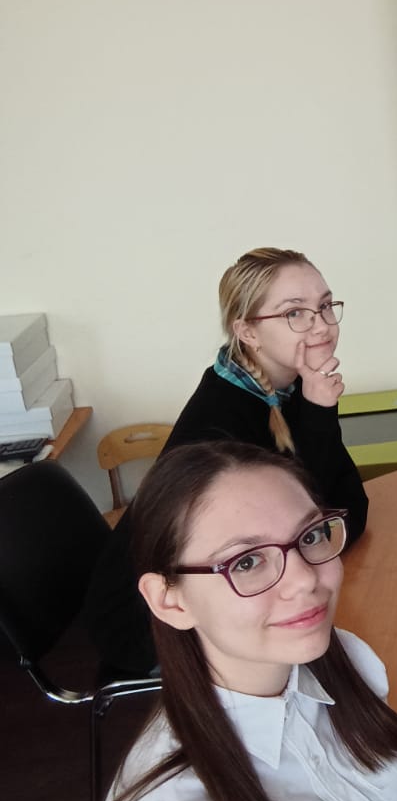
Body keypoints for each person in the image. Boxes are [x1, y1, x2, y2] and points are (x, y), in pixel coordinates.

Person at [90, 441, 397, 801]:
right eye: (246, 562)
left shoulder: (346, 662)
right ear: (171, 601)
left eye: (311, 535)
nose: (305, 580)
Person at [86, 247, 369, 676]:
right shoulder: (222, 422)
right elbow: (328, 528)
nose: (322, 325)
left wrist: (318, 408)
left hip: (238, 593)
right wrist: (317, 412)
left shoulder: (288, 390)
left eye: (326, 306)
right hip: (149, 624)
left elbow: (345, 514)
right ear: (248, 331)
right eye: (295, 312)